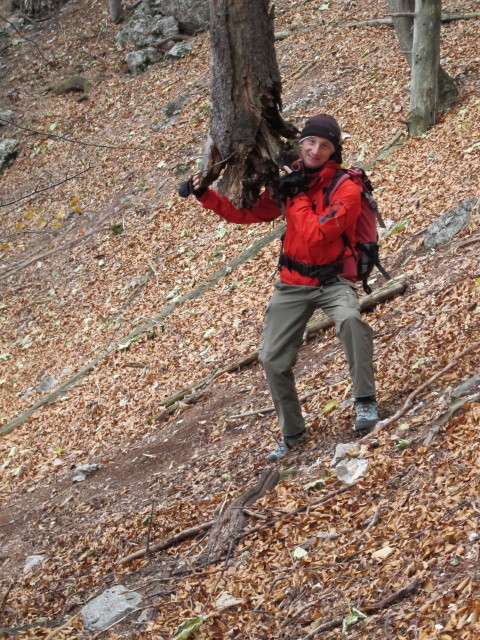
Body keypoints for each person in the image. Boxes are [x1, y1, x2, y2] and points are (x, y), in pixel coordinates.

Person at [178, 114, 378, 462]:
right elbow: (249, 214)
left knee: (351, 320)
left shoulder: (345, 187)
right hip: (292, 285)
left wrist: (297, 195)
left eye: (325, 145)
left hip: (333, 281)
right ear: (300, 144)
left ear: (334, 151)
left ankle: (364, 402)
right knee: (271, 359)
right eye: (311, 142)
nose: (316, 150)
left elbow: (317, 233)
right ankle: (293, 433)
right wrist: (205, 195)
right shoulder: (288, 179)